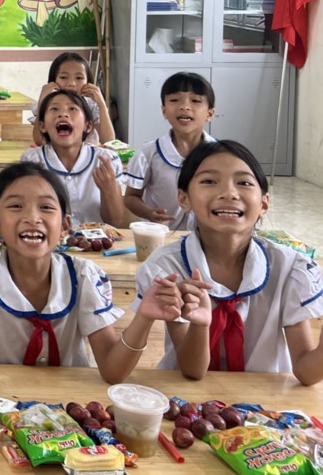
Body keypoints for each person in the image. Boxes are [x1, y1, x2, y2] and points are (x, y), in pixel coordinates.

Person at [0, 162, 174, 382]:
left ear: (65, 226)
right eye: (16, 206)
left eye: (46, 207)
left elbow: (113, 372)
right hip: (0, 397)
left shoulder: (83, 276)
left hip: (70, 402)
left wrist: (144, 318)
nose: (32, 218)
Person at [134, 140, 323, 383]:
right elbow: (192, 370)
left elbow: (307, 372)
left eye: (244, 183)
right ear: (184, 199)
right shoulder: (167, 269)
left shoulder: (289, 268)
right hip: (187, 395)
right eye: (209, 181)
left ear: (264, 204)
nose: (229, 193)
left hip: (268, 400)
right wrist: (200, 326)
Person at [21, 89, 129, 227]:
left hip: (96, 239)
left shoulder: (105, 160)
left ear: (88, 126)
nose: (63, 114)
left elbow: (115, 221)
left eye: (72, 109)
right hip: (50, 238)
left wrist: (108, 191)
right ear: (42, 126)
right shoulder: (32, 161)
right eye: (54, 109)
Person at [125, 71, 216, 228]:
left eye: (195, 101)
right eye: (174, 100)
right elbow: (131, 197)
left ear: (210, 114)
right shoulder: (147, 154)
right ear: (164, 111)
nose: (184, 106)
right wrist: (149, 213)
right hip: (161, 235)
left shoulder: (220, 155)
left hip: (207, 236)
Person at [32, 52, 114, 146]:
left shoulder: (91, 106)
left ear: (88, 82)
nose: (71, 83)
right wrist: (42, 101)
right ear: (53, 81)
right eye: (64, 77)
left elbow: (109, 142)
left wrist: (102, 105)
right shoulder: (48, 106)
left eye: (79, 78)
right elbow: (39, 141)